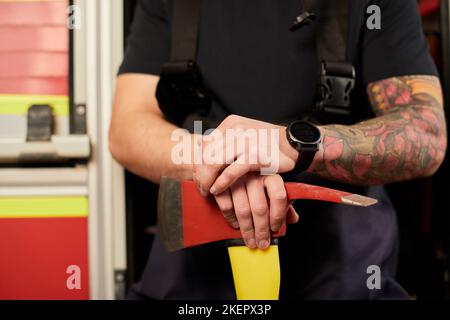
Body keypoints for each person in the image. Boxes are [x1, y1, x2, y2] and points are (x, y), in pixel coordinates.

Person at [109, 0, 447, 299]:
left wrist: (293, 145)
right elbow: (126, 129)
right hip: (191, 280)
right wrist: (225, 160)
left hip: (345, 276)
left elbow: (425, 132)